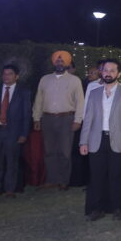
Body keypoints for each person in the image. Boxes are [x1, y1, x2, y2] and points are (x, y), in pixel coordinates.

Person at [79, 59, 121, 221]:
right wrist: (83, 142)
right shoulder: (94, 93)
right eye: (106, 70)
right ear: (101, 72)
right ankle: (97, 209)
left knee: (116, 176)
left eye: (112, 70)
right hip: (96, 141)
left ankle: (117, 208)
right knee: (96, 177)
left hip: (118, 141)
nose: (108, 73)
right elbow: (88, 119)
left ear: (119, 73)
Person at [32, 50, 85, 190]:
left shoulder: (75, 80)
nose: (59, 63)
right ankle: (51, 179)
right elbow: (39, 99)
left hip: (66, 119)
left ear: (67, 63)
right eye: (57, 61)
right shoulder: (45, 79)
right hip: (47, 118)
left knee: (64, 152)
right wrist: (36, 118)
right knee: (49, 151)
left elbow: (80, 102)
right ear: (54, 62)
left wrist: (78, 120)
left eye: (62, 61)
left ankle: (64, 180)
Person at [0, 64, 32, 198]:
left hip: (13, 132)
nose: (6, 76)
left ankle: (10, 190)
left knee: (12, 162)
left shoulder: (24, 92)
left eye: (10, 74)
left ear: (17, 76)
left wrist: (24, 134)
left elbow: (27, 114)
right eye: (4, 74)